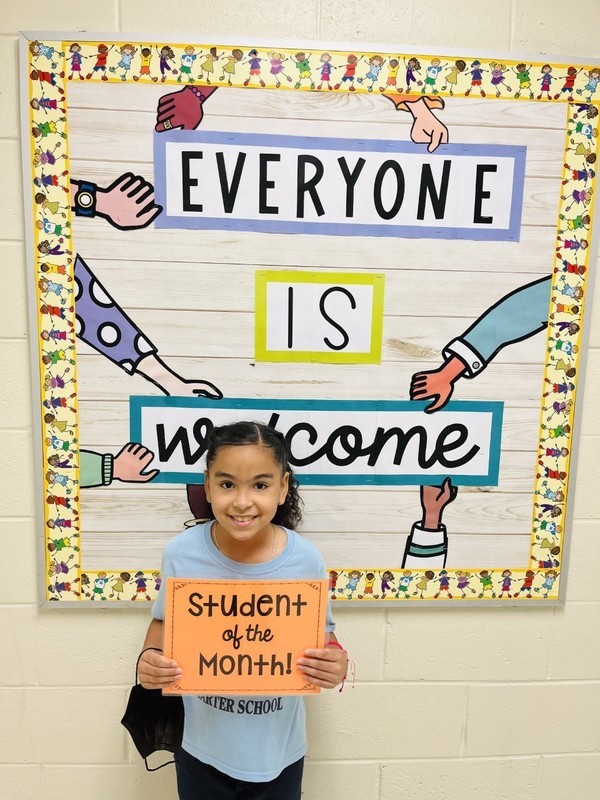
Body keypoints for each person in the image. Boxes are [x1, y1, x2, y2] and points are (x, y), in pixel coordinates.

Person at [137, 421, 348, 799]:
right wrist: (150, 659)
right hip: (200, 749)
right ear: (208, 486)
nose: (242, 501)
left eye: (260, 485)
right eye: (227, 484)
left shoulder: (306, 560)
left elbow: (325, 639)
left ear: (283, 487)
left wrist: (336, 663)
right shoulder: (181, 554)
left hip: (279, 752)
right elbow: (162, 625)